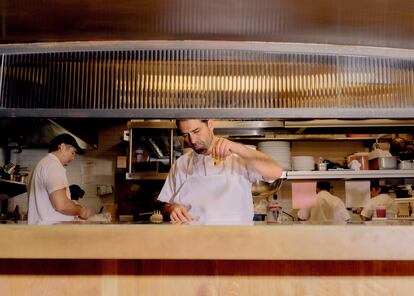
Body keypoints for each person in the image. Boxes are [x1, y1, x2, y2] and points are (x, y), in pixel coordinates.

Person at [157, 119, 283, 225]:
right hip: (193, 244)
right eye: (185, 135)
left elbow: (276, 172)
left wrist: (238, 148)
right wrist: (171, 209)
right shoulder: (181, 164)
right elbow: (165, 205)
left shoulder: (239, 157)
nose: (192, 140)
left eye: (196, 131)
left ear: (210, 124)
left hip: (236, 243)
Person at [28, 134, 91, 224]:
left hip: (41, 231)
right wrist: (81, 211)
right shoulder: (54, 165)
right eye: (72, 152)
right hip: (51, 233)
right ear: (62, 147)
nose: (73, 158)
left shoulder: (42, 164)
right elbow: (61, 205)